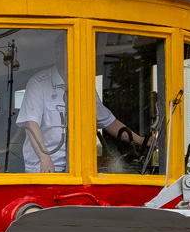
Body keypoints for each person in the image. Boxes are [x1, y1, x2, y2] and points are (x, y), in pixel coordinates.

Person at [16, 64, 144, 173]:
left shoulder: (84, 84)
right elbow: (31, 124)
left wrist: (141, 141)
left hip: (78, 169)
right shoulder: (39, 83)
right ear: (59, 51)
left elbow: (108, 121)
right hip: (45, 169)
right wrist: (45, 159)